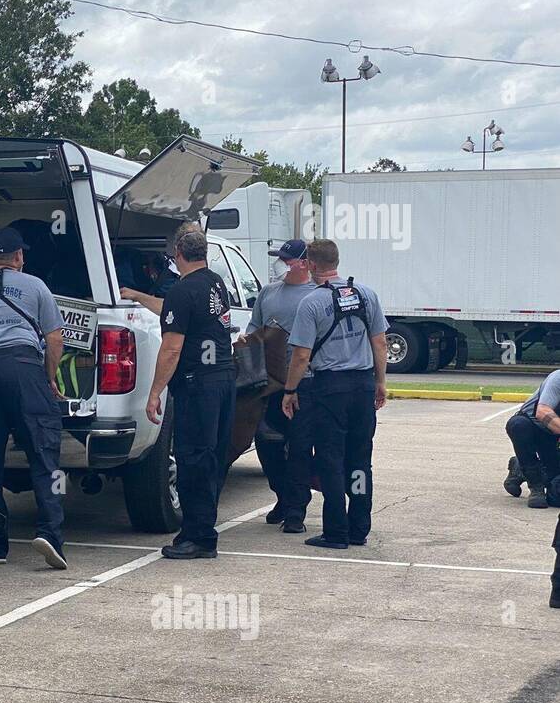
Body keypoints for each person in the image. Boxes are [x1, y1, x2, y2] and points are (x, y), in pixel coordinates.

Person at [0, 226, 68, 570]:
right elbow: (55, 340)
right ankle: (50, 535)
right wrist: (50, 378)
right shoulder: (36, 285)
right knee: (44, 452)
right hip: (24, 368)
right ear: (19, 257)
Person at [282, 239, 389, 550]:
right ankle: (359, 527)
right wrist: (380, 382)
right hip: (363, 385)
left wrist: (290, 390)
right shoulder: (366, 294)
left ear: (312, 265)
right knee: (360, 458)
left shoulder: (312, 303)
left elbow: (301, 356)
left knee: (330, 459)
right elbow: (379, 343)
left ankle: (336, 531)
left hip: (330, 388)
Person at [144, 225, 237, 560]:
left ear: (177, 255)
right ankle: (201, 529)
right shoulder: (215, 282)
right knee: (211, 458)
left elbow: (171, 349)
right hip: (224, 379)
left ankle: (199, 538)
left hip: (198, 384)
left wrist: (155, 391)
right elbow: (178, 311)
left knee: (193, 458)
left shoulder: (183, 291)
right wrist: (138, 296)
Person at [238, 239, 316, 533]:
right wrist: (246, 340)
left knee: (299, 448)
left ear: (304, 263)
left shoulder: (317, 295)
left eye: (286, 259)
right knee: (267, 443)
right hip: (270, 384)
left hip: (305, 383)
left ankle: (296, 510)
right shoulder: (268, 292)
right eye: (279, 258)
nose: (280, 263)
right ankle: (282, 496)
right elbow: (253, 328)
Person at [503, 369, 560, 508]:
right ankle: (536, 486)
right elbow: (543, 412)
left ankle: (519, 468)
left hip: (554, 439)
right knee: (518, 425)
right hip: (534, 429)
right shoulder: (557, 378)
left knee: (557, 496)